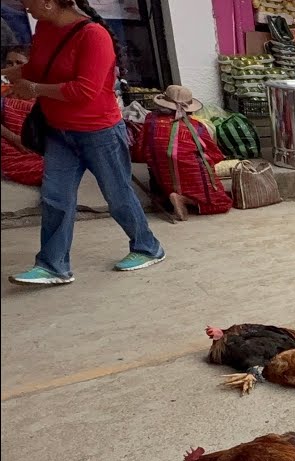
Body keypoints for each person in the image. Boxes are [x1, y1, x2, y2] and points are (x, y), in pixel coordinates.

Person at [4, 0, 165, 286]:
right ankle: (53, 265)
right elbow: (39, 67)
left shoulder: (94, 35)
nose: (24, 7)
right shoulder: (44, 26)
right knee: (56, 198)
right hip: (58, 130)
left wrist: (36, 89)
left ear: (49, 3)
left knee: (117, 195)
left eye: (28, 2)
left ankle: (147, 247)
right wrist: (13, 76)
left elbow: (85, 90)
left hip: (98, 132)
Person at [137, 85, 231, 221]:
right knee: (222, 204)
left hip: (162, 176)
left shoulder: (150, 120)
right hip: (192, 173)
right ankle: (185, 199)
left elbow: (140, 150)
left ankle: (167, 196)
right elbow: (215, 154)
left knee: (158, 168)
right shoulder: (195, 126)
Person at [1, 45, 43, 186]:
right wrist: (15, 138)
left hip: (36, 146)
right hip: (8, 146)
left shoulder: (41, 88)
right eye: (9, 63)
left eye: (19, 63)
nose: (13, 67)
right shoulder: (3, 86)